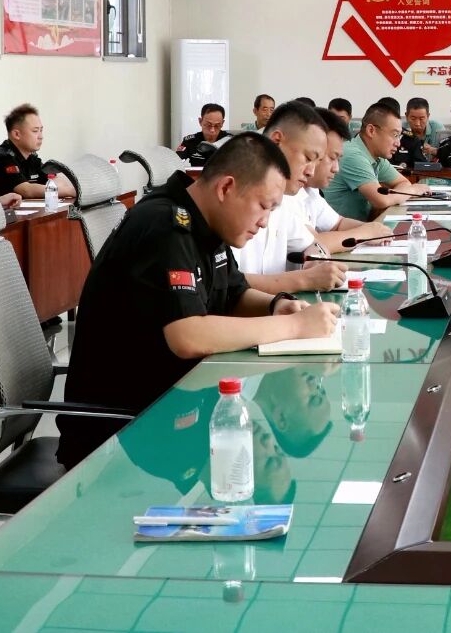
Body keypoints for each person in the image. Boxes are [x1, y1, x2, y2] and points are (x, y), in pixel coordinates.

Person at [55, 132, 341, 468]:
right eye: (263, 207)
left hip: (173, 407)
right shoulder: (166, 227)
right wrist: (293, 326)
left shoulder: (208, 224)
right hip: (122, 434)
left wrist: (277, 305)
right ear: (226, 188)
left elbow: (234, 292)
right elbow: (188, 336)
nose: (264, 222)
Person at [233, 101, 349, 293]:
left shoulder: (285, 200)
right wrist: (303, 279)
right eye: (308, 158)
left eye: (317, 162)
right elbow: (226, 283)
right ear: (277, 141)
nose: (311, 171)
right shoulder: (232, 194)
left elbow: (312, 244)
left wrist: (316, 262)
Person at [325, 102, 430, 220]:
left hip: (360, 226)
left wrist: (394, 196)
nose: (398, 143)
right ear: (371, 130)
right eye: (394, 135)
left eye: (399, 136)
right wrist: (413, 190)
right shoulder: (353, 155)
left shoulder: (376, 156)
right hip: (342, 230)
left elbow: (403, 183)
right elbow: (381, 200)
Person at [303, 108, 390, 248]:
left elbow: (337, 223)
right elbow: (313, 244)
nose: (336, 168)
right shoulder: (287, 195)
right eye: (331, 158)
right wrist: (364, 233)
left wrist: (374, 229)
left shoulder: (310, 191)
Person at [0, 103, 74, 200]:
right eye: (35, 131)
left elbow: (54, 180)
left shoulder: (31, 158)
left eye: (41, 130)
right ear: (17, 134)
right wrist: (70, 192)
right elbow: (26, 190)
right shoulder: (1, 157)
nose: (41, 136)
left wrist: (57, 186)